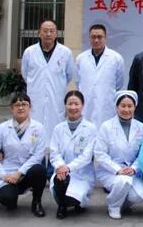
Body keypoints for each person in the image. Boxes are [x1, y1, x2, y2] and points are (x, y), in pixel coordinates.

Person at [0, 92, 47, 217]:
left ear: (30, 107)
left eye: (24, 104)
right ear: (12, 108)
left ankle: (36, 202)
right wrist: (3, 175)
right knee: (7, 199)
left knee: (39, 169)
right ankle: (12, 198)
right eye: (17, 105)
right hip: (8, 173)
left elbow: (38, 155)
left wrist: (19, 173)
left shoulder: (39, 128)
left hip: (27, 173)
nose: (21, 107)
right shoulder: (2, 128)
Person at [94, 90, 143, 219]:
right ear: (117, 107)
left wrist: (133, 168)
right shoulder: (106, 126)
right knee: (123, 181)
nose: (126, 109)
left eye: (130, 106)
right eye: (123, 106)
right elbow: (100, 153)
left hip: (131, 170)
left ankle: (121, 203)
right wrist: (118, 169)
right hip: (109, 170)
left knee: (140, 195)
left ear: (135, 107)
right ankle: (114, 206)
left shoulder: (141, 127)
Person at [21, 19, 74, 144]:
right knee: (34, 132)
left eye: (52, 31)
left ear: (56, 33)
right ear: (39, 33)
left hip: (56, 98)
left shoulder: (65, 52)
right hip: (35, 97)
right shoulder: (29, 52)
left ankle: (54, 153)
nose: (48, 34)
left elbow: (69, 75)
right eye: (45, 31)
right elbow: (25, 74)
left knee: (55, 131)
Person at [49, 90, 97, 219]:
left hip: (82, 174)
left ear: (82, 105)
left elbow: (86, 157)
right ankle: (62, 206)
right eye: (70, 104)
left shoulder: (91, 128)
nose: (73, 107)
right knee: (60, 181)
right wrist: (60, 166)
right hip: (61, 172)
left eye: (76, 104)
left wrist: (68, 168)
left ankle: (74, 203)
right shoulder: (58, 128)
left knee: (74, 198)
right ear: (65, 105)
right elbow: (54, 152)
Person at [76, 24, 125, 128]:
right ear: (89, 38)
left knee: (105, 131)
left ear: (105, 38)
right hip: (87, 106)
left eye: (99, 37)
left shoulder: (116, 58)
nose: (96, 40)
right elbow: (78, 81)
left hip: (107, 107)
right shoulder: (81, 58)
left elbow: (119, 83)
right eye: (93, 37)